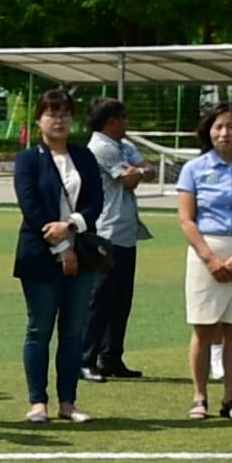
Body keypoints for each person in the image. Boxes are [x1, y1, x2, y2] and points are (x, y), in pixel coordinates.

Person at [10, 90, 104, 426]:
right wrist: (60, 247)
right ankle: (38, 402)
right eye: (51, 113)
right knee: (39, 328)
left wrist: (71, 226)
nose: (59, 119)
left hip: (82, 252)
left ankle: (68, 401)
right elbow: (32, 207)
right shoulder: (28, 159)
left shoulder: (84, 156)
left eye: (64, 113)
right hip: (40, 255)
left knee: (73, 331)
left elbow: (95, 201)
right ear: (38, 120)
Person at [174, 102, 232, 422]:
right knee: (203, 328)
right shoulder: (194, 169)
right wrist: (210, 258)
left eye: (230, 126)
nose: (224, 133)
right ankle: (199, 396)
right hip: (205, 251)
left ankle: (230, 398)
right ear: (208, 131)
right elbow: (187, 219)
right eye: (218, 126)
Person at [80, 99, 150, 381]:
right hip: (106, 231)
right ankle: (86, 358)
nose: (126, 122)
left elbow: (146, 167)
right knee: (99, 299)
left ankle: (111, 357)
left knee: (121, 299)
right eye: (123, 117)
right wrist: (139, 172)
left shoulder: (123, 145)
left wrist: (140, 170)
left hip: (126, 231)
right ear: (111, 120)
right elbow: (128, 179)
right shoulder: (100, 147)